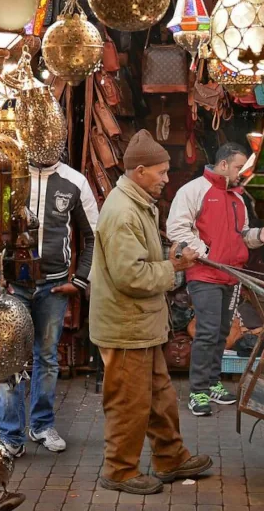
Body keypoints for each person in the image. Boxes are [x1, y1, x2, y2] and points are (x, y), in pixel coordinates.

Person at [90, 130, 213, 495]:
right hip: (125, 327)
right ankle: (119, 470)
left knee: (159, 395)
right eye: (160, 172)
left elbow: (140, 260)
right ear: (139, 170)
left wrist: (167, 254)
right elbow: (131, 276)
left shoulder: (136, 203)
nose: (165, 179)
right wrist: (174, 266)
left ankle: (170, 458)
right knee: (129, 402)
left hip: (140, 324)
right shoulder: (122, 212)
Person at [0, 157, 98, 457]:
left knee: (48, 357)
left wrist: (80, 280)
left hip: (53, 285)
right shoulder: (10, 174)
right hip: (14, 284)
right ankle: (10, 434)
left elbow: (93, 234)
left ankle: (41, 425)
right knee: (9, 359)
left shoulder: (75, 181)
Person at [166, 142, 264, 417]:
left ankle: (212, 381)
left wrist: (259, 236)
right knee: (207, 330)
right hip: (204, 274)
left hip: (231, 275)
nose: (241, 173)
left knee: (221, 332)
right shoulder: (193, 191)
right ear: (223, 164)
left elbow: (243, 235)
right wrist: (206, 253)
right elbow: (176, 228)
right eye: (238, 167)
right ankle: (198, 392)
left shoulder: (238, 197)